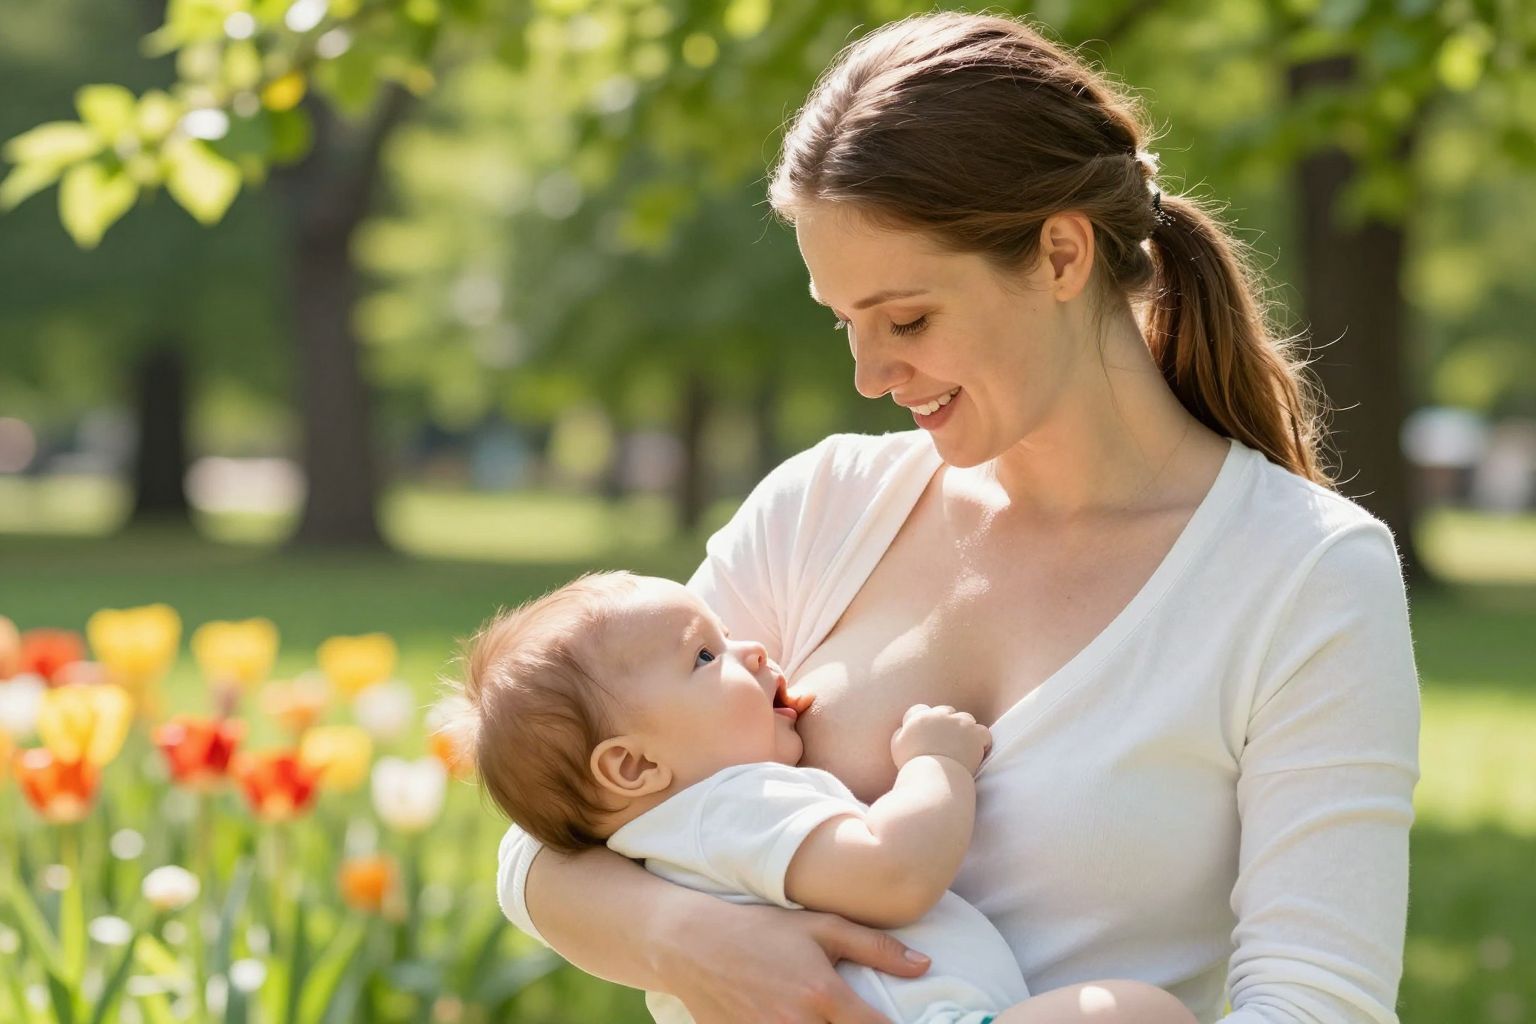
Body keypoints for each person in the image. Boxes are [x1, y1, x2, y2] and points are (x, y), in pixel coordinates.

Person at [491, 11, 1421, 1024]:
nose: (870, 373)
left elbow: (1320, 1001)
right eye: (844, 322)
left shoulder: (1302, 571)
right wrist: (703, 944)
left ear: (1062, 255)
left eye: (908, 319)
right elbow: (547, 837)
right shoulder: (823, 507)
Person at [449, 570, 1200, 1024]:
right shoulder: (727, 807)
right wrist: (936, 765)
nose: (751, 648)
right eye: (706, 655)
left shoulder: (656, 841)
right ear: (634, 768)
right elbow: (892, 874)